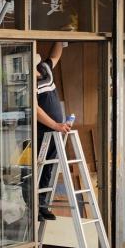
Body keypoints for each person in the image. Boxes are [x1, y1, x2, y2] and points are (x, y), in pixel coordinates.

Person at [34, 41, 73, 222]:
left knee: (47, 168)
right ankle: (34, 208)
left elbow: (55, 56)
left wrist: (61, 40)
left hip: (53, 132)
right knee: (35, 169)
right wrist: (56, 125)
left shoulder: (44, 69)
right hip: (40, 132)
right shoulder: (27, 79)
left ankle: (42, 206)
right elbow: (35, 110)